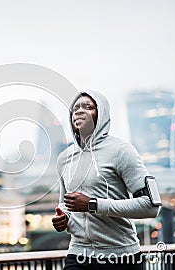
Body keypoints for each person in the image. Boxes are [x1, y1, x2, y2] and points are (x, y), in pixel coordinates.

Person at [52, 90, 161, 269]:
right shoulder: (64, 159)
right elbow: (65, 203)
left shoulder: (122, 151)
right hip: (78, 254)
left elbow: (151, 206)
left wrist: (92, 205)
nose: (79, 111)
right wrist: (64, 218)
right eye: (75, 108)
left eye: (88, 107)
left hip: (121, 256)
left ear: (101, 114)